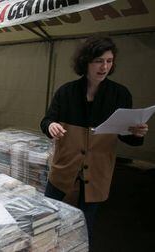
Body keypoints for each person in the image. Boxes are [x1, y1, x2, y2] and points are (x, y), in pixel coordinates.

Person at [40, 36, 149, 244]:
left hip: (97, 173)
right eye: (98, 61)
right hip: (64, 169)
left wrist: (136, 133)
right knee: (48, 217)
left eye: (109, 61)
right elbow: (46, 121)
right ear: (86, 62)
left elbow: (127, 138)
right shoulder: (66, 92)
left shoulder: (120, 94)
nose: (104, 66)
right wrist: (51, 126)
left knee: (85, 225)